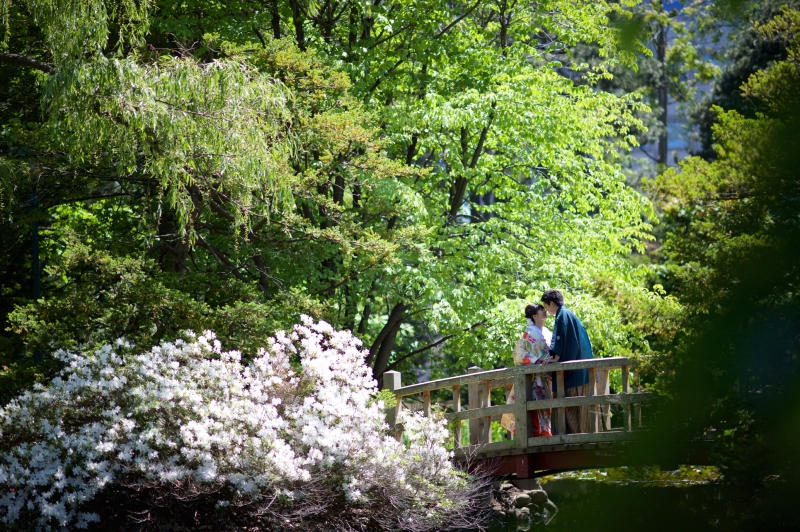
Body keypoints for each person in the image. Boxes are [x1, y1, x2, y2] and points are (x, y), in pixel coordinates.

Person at [540, 289, 594, 434]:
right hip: (583, 370)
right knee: (584, 410)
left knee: (570, 409)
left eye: (546, 306)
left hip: (574, 374)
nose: (546, 310)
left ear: (552, 303)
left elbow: (560, 340)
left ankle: (576, 440)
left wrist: (555, 357)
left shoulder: (561, 316)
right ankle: (584, 437)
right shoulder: (568, 314)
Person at [501, 304, 553, 438]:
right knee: (534, 406)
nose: (545, 311)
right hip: (535, 376)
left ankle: (544, 433)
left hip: (547, 375)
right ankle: (537, 434)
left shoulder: (546, 331)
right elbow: (518, 353)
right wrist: (536, 360)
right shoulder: (529, 334)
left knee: (545, 407)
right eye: (541, 310)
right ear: (535, 316)